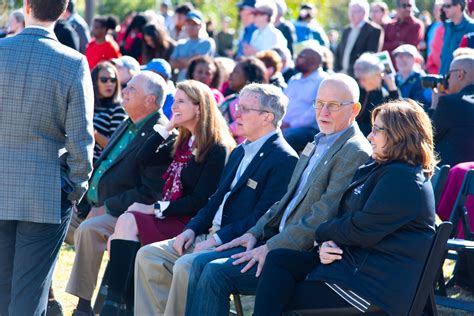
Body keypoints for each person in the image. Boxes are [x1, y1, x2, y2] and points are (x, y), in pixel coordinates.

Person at [184, 74, 372, 316]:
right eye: (319, 103)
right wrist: (254, 233)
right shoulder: (316, 142)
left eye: (333, 106)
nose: (323, 112)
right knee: (199, 263)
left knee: (214, 273)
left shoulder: (354, 150)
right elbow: (284, 202)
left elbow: (323, 215)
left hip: (298, 254)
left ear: (354, 109)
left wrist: (270, 246)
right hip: (273, 239)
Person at [252, 99, 437, 316]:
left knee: (281, 298)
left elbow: (361, 229)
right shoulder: (380, 169)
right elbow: (348, 220)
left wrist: (321, 233)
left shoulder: (403, 179)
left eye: (377, 130)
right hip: (351, 268)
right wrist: (324, 245)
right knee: (279, 260)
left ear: (400, 134)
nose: (370, 136)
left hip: (371, 288)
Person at [134, 83, 299, 316]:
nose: (236, 113)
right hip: (209, 234)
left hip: (237, 242)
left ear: (267, 117)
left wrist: (217, 239)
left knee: (185, 265)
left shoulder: (284, 158)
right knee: (149, 255)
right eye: (237, 107)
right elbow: (215, 200)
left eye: (244, 109)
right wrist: (191, 229)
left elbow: (263, 217)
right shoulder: (241, 150)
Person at [100, 80, 236, 315]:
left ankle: (116, 305)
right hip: (171, 214)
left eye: (181, 101)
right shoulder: (181, 141)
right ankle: (118, 304)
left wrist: (154, 209)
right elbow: (141, 159)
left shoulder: (216, 148)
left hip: (189, 222)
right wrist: (168, 126)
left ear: (200, 108)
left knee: (129, 222)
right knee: (125, 224)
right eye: (174, 101)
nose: (174, 106)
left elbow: (200, 201)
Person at [0, 0, 94, 314]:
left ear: (26, 6)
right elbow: (81, 138)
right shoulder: (73, 62)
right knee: (30, 291)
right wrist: (76, 187)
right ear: (64, 9)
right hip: (46, 189)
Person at [65, 71, 170, 316]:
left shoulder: (160, 134)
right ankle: (50, 299)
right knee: (52, 222)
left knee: (89, 230)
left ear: (150, 101)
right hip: (90, 205)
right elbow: (106, 163)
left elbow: (150, 192)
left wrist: (109, 206)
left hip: (127, 214)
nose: (124, 90)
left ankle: (82, 306)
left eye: (132, 88)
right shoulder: (129, 122)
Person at [282, 47, 329, 151]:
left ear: (312, 60)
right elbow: (283, 102)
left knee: (286, 137)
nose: (296, 59)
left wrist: (290, 124)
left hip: (310, 129)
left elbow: (315, 111)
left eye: (300, 57)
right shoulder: (294, 79)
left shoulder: (323, 81)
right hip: (285, 125)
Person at [431, 55, 474, 166]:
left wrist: (434, 105)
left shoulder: (449, 103)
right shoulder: (451, 101)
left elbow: (427, 136)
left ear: (460, 74)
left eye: (449, 75)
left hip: (453, 177)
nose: (447, 79)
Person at [219, 57, 268, 143]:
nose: (230, 74)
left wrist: (218, 132)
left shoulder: (256, 101)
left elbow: (243, 125)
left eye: (236, 72)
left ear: (249, 77)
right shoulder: (231, 98)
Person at [353, 53, 400, 136]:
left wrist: (392, 88)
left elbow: (396, 113)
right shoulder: (351, 89)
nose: (382, 78)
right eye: (379, 75)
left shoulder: (379, 91)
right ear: (365, 78)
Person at [334, 0, 383, 76]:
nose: (351, 15)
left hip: (360, 76)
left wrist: (349, 71)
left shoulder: (374, 30)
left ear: (363, 13)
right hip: (342, 74)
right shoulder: (346, 30)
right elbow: (339, 52)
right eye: (350, 12)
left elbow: (370, 54)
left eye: (354, 12)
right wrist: (337, 71)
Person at [90, 62, 127, 161]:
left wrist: (92, 132)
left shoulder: (118, 109)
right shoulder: (87, 105)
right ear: (94, 81)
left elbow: (115, 146)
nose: (109, 84)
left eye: (113, 80)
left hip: (97, 167)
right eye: (104, 80)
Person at [170, 10, 216, 82]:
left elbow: (199, 64)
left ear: (200, 26)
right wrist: (191, 59)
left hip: (200, 84)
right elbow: (172, 63)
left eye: (194, 24)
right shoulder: (180, 44)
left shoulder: (207, 43)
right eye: (189, 23)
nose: (191, 27)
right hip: (181, 83)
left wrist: (180, 60)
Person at [439, 0, 474, 74]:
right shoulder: (447, 27)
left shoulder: (472, 28)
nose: (444, 9)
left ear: (458, 7)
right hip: (444, 79)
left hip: (462, 80)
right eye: (443, 6)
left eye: (447, 6)